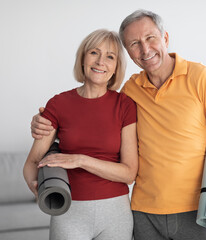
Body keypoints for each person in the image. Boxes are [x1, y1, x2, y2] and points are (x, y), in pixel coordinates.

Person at [31, 10, 206, 240]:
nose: (145, 49)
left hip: (197, 211)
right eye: (134, 43)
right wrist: (45, 124)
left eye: (150, 38)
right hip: (144, 215)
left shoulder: (201, 77)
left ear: (165, 38)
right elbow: (92, 122)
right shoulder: (130, 91)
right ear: (128, 53)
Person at [23, 29, 138, 240]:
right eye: (94, 52)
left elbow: (129, 173)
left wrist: (80, 160)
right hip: (68, 213)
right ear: (83, 58)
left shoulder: (125, 105)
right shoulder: (58, 104)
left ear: (116, 67)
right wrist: (39, 191)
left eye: (110, 57)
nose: (101, 61)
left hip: (116, 214)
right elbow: (32, 162)